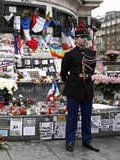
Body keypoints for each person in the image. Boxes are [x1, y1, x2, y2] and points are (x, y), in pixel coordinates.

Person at [60, 22, 100, 152]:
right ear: (76, 39)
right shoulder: (69, 55)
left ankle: (87, 140)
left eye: (85, 37)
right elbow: (63, 73)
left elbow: (91, 70)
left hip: (87, 88)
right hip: (73, 88)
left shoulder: (91, 53)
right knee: (72, 117)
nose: (84, 39)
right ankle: (70, 141)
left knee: (87, 117)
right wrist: (72, 81)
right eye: (81, 37)